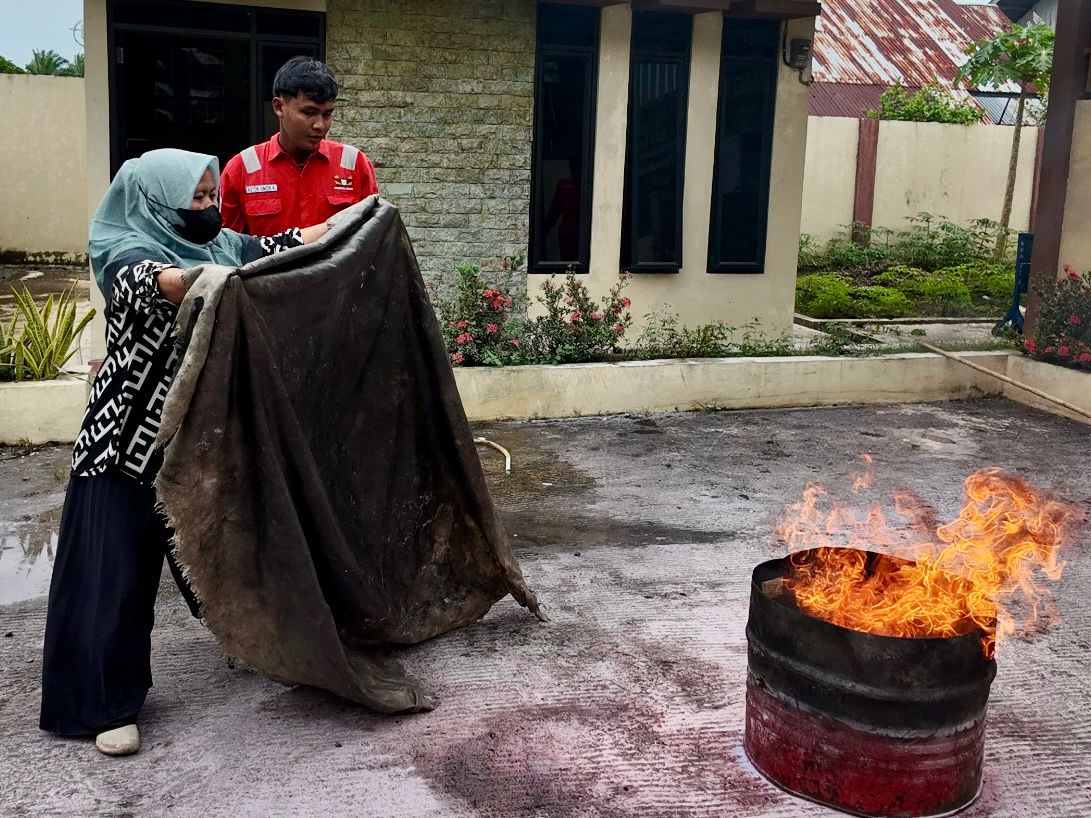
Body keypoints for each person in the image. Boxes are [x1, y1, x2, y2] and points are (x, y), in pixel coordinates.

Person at [39, 148, 330, 757]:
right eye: (195, 200)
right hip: (123, 446)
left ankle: (276, 646)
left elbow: (277, 246)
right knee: (114, 577)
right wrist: (203, 279)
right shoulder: (124, 251)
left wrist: (346, 226)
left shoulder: (219, 245)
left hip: (193, 445)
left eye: (212, 196)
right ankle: (100, 705)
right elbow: (158, 283)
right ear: (156, 201)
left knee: (238, 547)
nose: (210, 209)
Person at [219, 56, 378, 236]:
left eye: (327, 114)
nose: (319, 125)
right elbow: (228, 250)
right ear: (279, 107)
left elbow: (372, 241)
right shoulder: (241, 169)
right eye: (308, 112)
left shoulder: (354, 164)